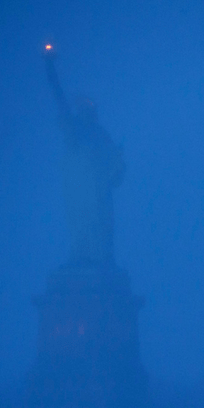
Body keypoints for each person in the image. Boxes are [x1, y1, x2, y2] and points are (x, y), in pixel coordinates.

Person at [45, 46, 125, 267]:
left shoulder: (100, 134)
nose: (85, 110)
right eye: (82, 107)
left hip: (97, 191)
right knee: (80, 225)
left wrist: (116, 169)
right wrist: (49, 66)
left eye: (89, 107)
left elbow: (117, 167)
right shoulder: (75, 129)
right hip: (79, 191)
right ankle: (82, 257)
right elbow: (59, 98)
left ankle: (100, 259)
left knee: (100, 224)